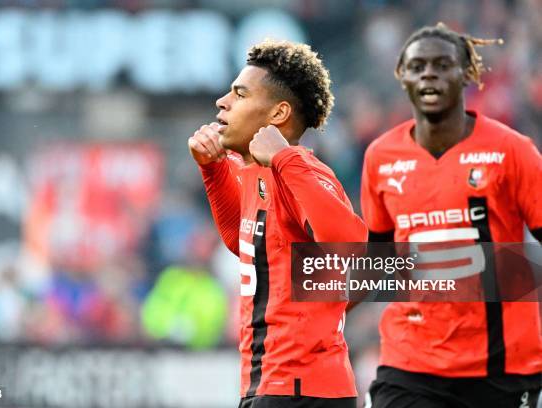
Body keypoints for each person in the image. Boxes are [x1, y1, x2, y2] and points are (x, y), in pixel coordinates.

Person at [360, 23, 542, 407]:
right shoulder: (380, 157)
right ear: (403, 77)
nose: (429, 72)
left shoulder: (511, 150)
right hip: (410, 363)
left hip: (500, 367)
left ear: (467, 75)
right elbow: (377, 260)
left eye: (443, 64)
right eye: (418, 66)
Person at [188, 39, 368, 408]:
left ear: (278, 114)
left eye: (240, 94)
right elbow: (244, 246)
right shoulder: (257, 174)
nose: (222, 101)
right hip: (271, 386)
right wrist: (213, 167)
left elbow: (353, 248)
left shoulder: (302, 170)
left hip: (304, 393)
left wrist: (285, 157)